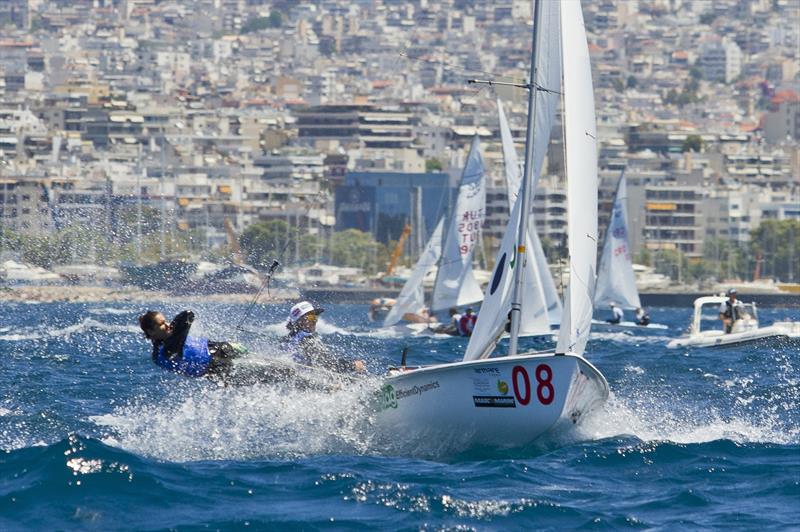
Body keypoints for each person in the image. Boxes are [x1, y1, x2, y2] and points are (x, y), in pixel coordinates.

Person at [138, 310, 246, 381]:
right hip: (216, 368)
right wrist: (174, 328)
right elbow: (187, 316)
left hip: (220, 348)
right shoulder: (163, 352)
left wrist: (173, 327)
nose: (167, 325)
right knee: (260, 375)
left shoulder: (174, 337)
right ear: (151, 331)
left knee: (256, 359)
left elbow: (189, 315)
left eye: (166, 321)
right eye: (161, 324)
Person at [283, 301, 365, 373]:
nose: (314, 320)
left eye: (315, 316)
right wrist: (353, 365)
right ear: (299, 322)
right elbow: (328, 363)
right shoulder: (306, 340)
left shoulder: (289, 338)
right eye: (310, 317)